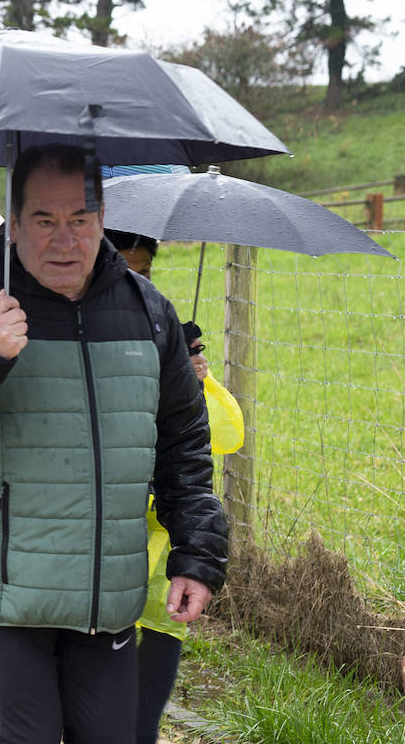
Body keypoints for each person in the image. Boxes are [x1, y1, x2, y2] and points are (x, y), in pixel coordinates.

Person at [0, 144, 229, 744]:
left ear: (103, 221)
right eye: (44, 220)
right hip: (8, 588)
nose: (64, 240)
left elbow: (183, 449)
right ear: (14, 225)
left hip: (107, 590)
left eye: (80, 219)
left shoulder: (149, 314)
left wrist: (197, 554)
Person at [107, 229, 243, 744]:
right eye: (121, 267)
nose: (132, 281)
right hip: (101, 528)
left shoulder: (166, 330)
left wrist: (195, 381)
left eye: (142, 271)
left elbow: (225, 436)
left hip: (161, 531)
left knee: (162, 629)